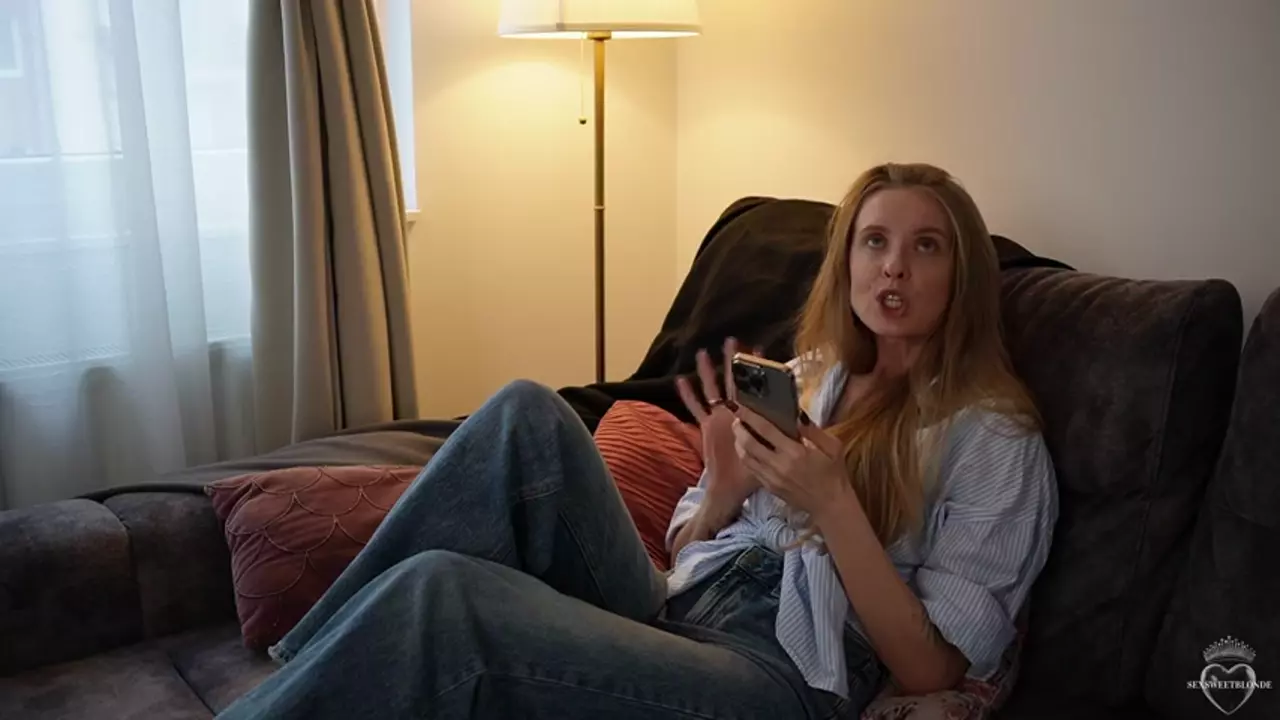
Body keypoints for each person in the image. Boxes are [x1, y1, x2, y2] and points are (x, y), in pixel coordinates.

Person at [216, 162, 1058, 720]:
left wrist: (835, 507)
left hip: (780, 677)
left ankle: (302, 684)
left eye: (925, 247)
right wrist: (721, 488)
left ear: (962, 276)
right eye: (875, 242)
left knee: (445, 593)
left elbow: (931, 671)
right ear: (847, 262)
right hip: (677, 610)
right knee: (526, 412)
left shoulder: (992, 435)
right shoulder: (811, 378)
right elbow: (686, 546)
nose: (894, 268)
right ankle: (308, 660)